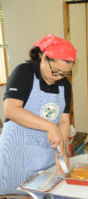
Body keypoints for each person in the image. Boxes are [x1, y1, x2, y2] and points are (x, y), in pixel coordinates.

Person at [0, 34, 76, 189]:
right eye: (56, 71)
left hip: (45, 152)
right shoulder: (24, 72)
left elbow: (63, 121)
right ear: (44, 58)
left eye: (65, 74)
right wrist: (50, 126)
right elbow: (11, 110)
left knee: (45, 190)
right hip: (17, 151)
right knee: (17, 193)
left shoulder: (64, 85)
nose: (58, 77)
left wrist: (61, 152)